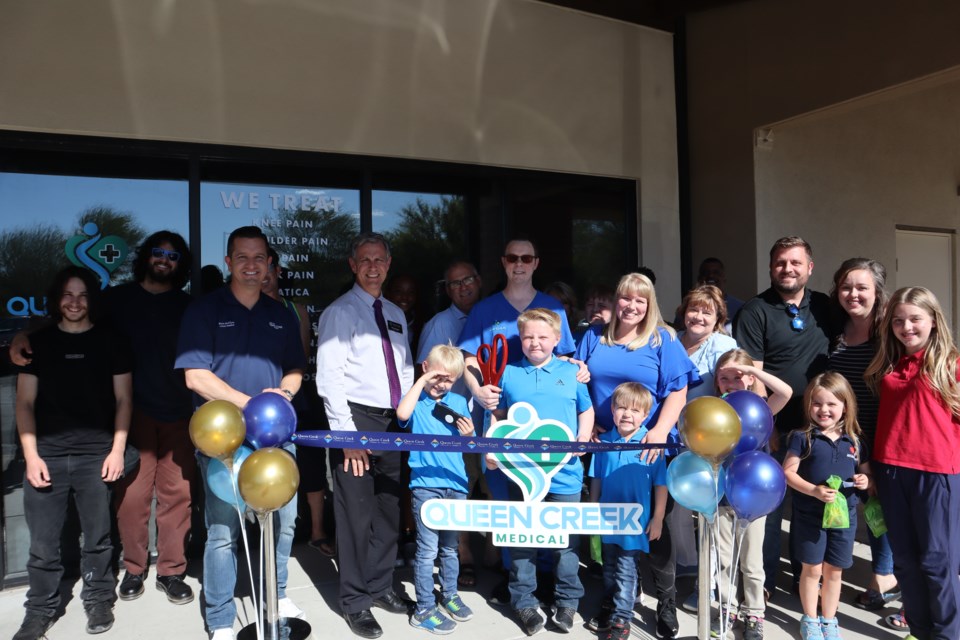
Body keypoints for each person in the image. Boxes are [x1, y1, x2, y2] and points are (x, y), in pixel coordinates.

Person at [10, 231, 198, 606]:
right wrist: (24, 334)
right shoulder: (117, 299)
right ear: (146, 256)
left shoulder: (189, 305)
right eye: (158, 252)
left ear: (180, 264)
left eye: (172, 255)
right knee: (132, 498)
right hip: (131, 415)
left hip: (180, 413)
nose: (165, 259)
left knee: (178, 495)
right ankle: (133, 567)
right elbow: (70, 321)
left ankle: (172, 571)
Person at [175, 226, 307, 640]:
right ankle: (219, 619)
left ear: (270, 264)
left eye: (260, 258)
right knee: (222, 533)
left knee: (284, 522)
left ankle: (277, 594)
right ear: (229, 262)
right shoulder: (204, 310)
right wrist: (248, 402)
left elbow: (296, 371)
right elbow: (195, 377)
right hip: (225, 439)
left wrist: (282, 392)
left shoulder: (280, 314)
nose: (252, 266)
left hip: (274, 436)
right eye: (242, 258)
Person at [574, 272, 699, 640]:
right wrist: (589, 423)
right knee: (614, 531)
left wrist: (659, 431)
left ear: (649, 305)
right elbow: (579, 381)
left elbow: (679, 390)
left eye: (640, 300)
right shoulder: (593, 337)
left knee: (657, 532)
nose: (631, 306)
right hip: (606, 445)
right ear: (616, 301)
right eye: (625, 298)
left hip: (651, 447)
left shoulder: (663, 339)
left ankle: (665, 603)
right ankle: (616, 603)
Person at [13, 266, 133, 640]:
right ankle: (40, 609)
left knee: (98, 537)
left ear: (91, 300)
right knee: (43, 542)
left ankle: (98, 599)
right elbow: (24, 404)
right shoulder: (39, 343)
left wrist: (116, 450)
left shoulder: (111, 341)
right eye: (68, 295)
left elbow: (124, 399)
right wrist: (31, 456)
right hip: (46, 455)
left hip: (95, 455)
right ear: (57, 299)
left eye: (82, 295)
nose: (75, 302)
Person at [315, 232, 415, 640]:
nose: (373, 267)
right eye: (365, 260)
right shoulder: (340, 313)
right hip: (356, 420)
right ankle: (355, 601)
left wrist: (408, 417)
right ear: (353, 266)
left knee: (388, 508)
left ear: (388, 265)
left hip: (393, 422)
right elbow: (329, 378)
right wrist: (347, 435)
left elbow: (404, 368)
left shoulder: (394, 312)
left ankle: (379, 586)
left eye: (380, 260)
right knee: (355, 515)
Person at [733, 236, 833, 598]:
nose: (786, 269)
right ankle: (766, 583)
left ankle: (808, 581)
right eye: (779, 263)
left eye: (794, 262)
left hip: (819, 428)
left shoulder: (824, 306)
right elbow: (753, 374)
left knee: (812, 504)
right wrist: (766, 427)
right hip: (776, 427)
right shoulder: (755, 310)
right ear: (771, 267)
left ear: (809, 267)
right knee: (771, 508)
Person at [487, 308, 594, 636]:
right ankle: (523, 601)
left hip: (565, 473)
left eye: (543, 337)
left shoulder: (571, 373)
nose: (535, 343)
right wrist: (492, 448)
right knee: (522, 538)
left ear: (557, 339)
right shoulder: (509, 373)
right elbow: (499, 416)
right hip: (521, 472)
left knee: (565, 541)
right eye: (529, 337)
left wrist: (582, 439)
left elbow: (585, 410)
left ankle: (567, 601)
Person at [865, 287, 960, 640]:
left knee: (937, 564)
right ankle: (920, 633)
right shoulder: (888, 365)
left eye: (915, 319)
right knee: (904, 562)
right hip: (890, 471)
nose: (907, 327)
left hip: (936, 474)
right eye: (899, 321)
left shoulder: (951, 365)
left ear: (933, 321)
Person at [826, 258, 898, 612]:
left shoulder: (889, 332)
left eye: (861, 287)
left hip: (884, 434)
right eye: (846, 287)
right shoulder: (835, 331)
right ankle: (880, 571)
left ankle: (885, 575)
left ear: (877, 292)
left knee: (879, 501)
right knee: (861, 502)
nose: (853, 294)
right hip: (848, 436)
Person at [416, 261, 491, 586]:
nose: (464, 287)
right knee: (460, 488)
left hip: (488, 423)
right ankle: (464, 556)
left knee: (489, 491)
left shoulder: (490, 316)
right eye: (455, 283)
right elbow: (425, 379)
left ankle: (495, 555)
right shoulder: (438, 324)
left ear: (480, 281)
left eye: (469, 280)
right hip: (452, 429)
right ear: (447, 289)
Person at [711, 348, 793, 640]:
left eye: (737, 377)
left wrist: (755, 373)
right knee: (723, 557)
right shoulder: (713, 409)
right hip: (721, 494)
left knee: (751, 560)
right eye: (724, 378)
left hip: (753, 497)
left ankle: (754, 611)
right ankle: (727, 606)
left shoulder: (760, 406)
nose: (731, 383)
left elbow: (785, 392)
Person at [783, 372, 871, 640]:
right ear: (809, 405)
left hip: (843, 519)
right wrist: (813, 490)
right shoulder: (803, 437)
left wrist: (864, 480)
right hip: (811, 516)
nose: (824, 410)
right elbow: (788, 473)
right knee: (812, 569)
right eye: (817, 403)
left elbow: (867, 475)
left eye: (832, 404)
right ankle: (810, 618)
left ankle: (829, 619)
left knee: (835, 570)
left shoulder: (855, 441)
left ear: (845, 405)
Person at [397, 344, 476, 634]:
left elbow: (471, 445)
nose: (442, 385)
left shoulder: (457, 401)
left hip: (456, 484)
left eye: (449, 380)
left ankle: (450, 595)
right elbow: (401, 414)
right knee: (427, 550)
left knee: (450, 548)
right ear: (425, 369)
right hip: (426, 486)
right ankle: (424, 609)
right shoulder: (416, 401)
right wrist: (420, 383)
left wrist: (469, 436)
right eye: (438, 377)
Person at [262, 249, 332, 556]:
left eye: (269, 267)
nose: (262, 274)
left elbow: (299, 358)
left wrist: (284, 388)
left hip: (296, 396)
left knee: (311, 463)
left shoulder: (296, 310)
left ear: (277, 271)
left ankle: (317, 531)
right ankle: (264, 537)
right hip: (258, 402)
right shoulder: (243, 309)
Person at [587, 382, 667, 640]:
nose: (626, 414)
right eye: (621, 407)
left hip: (635, 523)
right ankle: (612, 604)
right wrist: (592, 508)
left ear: (646, 415)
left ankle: (623, 618)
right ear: (612, 410)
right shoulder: (603, 442)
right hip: (607, 519)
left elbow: (661, 485)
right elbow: (596, 479)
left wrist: (657, 518)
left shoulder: (650, 443)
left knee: (625, 567)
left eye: (634, 410)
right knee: (608, 565)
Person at [696, 258, 744, 328]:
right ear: (699, 278)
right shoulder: (689, 308)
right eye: (705, 273)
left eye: (716, 273)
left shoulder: (740, 308)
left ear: (724, 278)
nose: (711, 276)